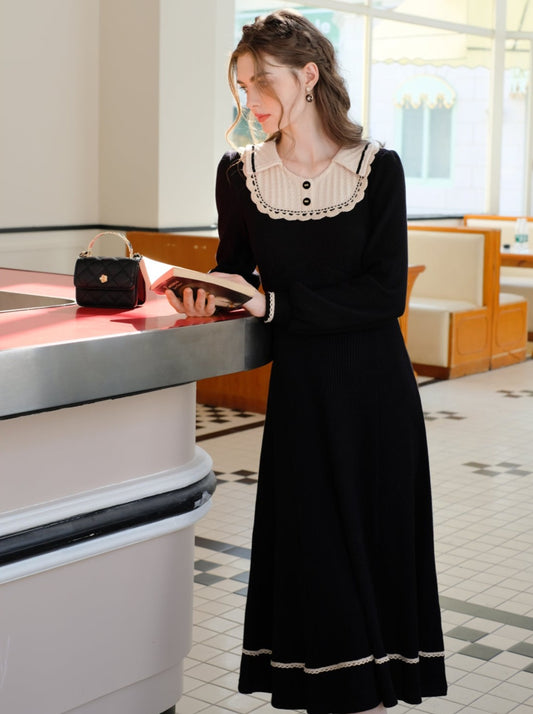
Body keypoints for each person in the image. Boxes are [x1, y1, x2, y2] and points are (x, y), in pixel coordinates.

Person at [166, 9, 447, 714]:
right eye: (241, 85)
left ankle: (376, 688)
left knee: (374, 537)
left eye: (261, 81)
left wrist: (276, 304)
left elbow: (383, 294)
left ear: (309, 75)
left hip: (376, 391)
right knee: (313, 546)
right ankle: (330, 691)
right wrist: (213, 295)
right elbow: (236, 270)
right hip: (301, 393)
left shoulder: (377, 168)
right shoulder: (240, 174)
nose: (250, 99)